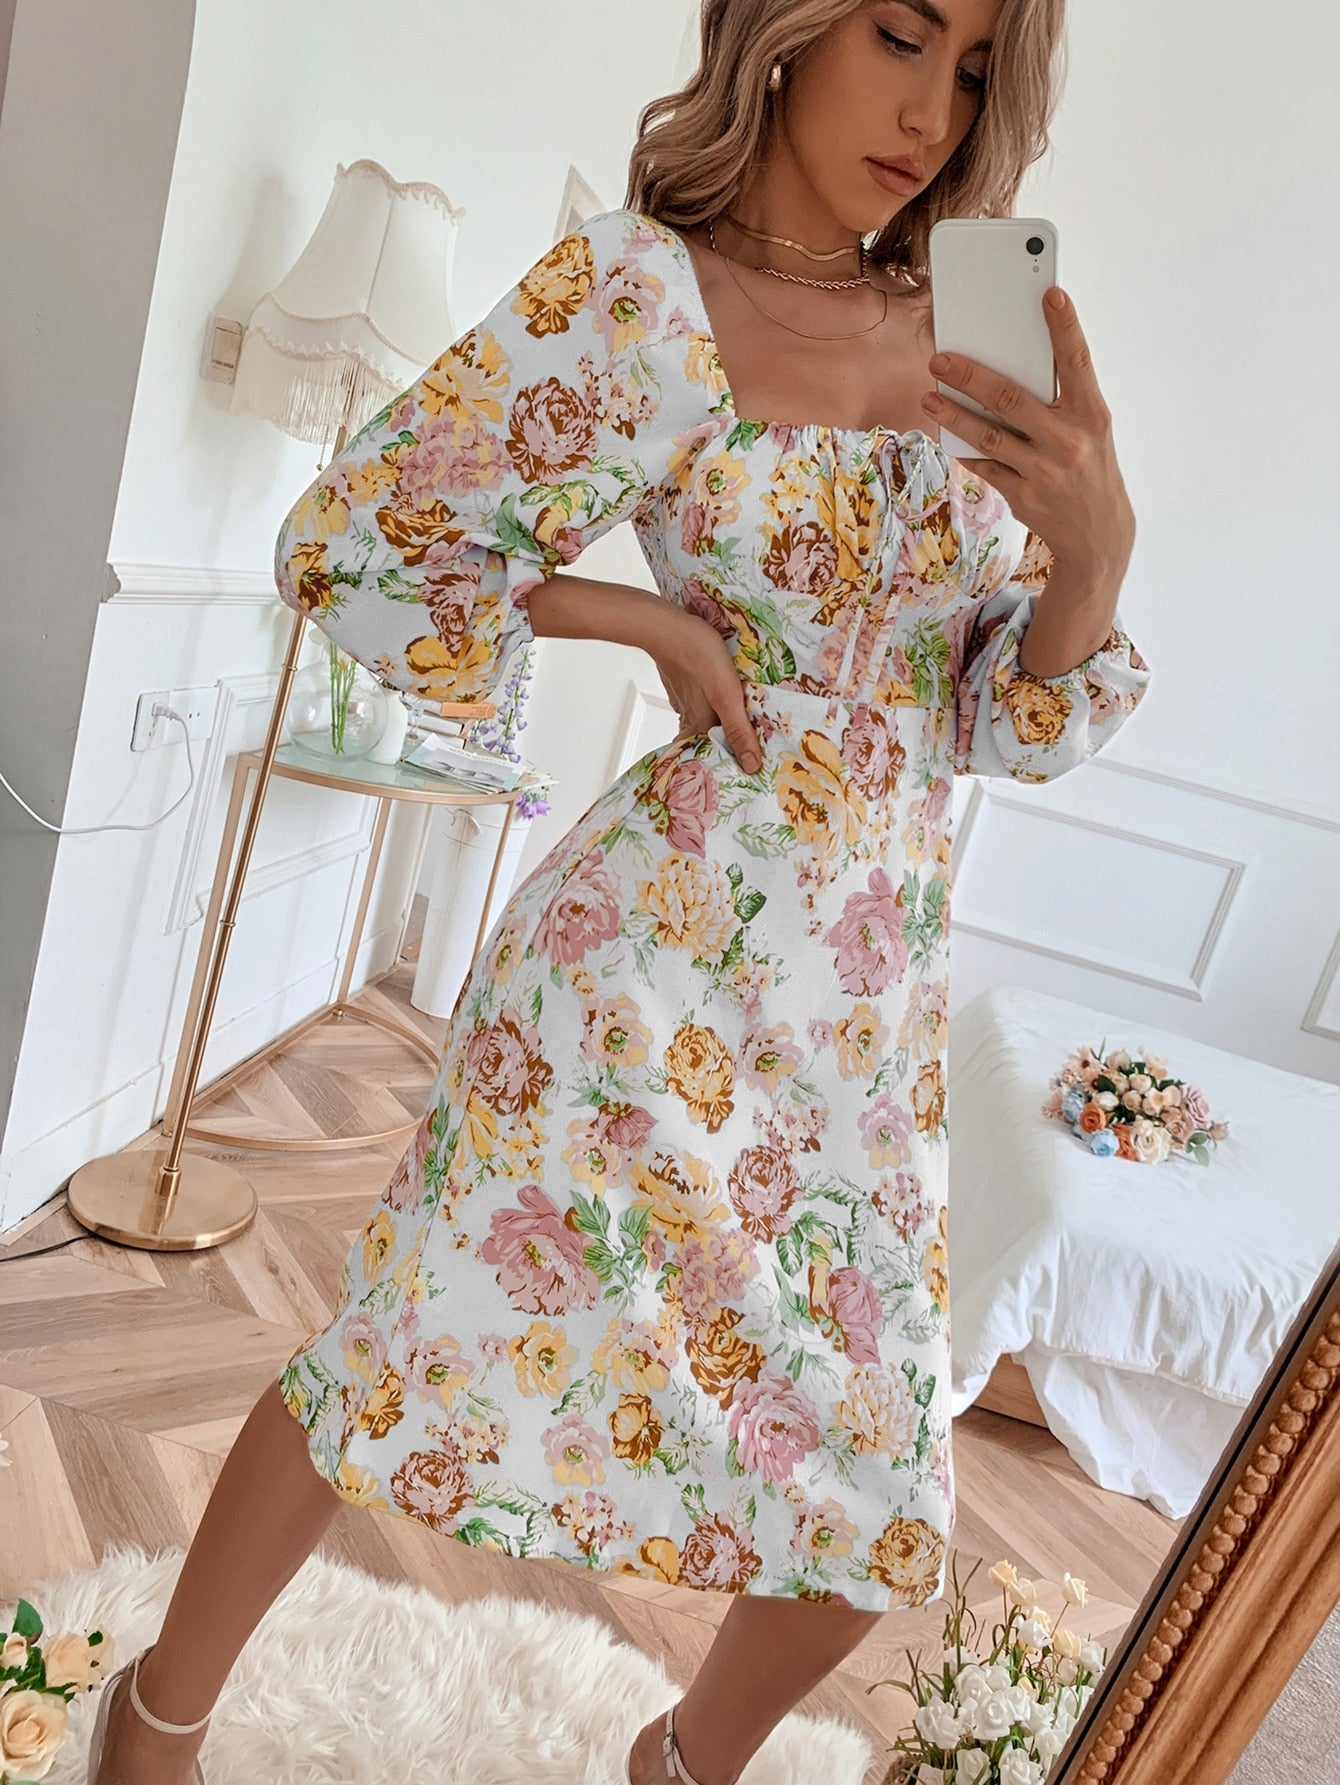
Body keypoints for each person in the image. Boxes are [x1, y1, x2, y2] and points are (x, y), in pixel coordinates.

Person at [89, 1, 1152, 1781]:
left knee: (877, 1486)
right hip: (635, 970)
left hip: (858, 1018)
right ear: (789, 29)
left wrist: (1097, 556)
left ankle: (681, 1764)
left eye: (976, 68)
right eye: (903, 34)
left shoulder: (978, 339)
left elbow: (998, 715)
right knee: (398, 1357)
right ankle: (155, 1719)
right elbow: (355, 543)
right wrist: (635, 614)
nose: (932, 108)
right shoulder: (646, 299)